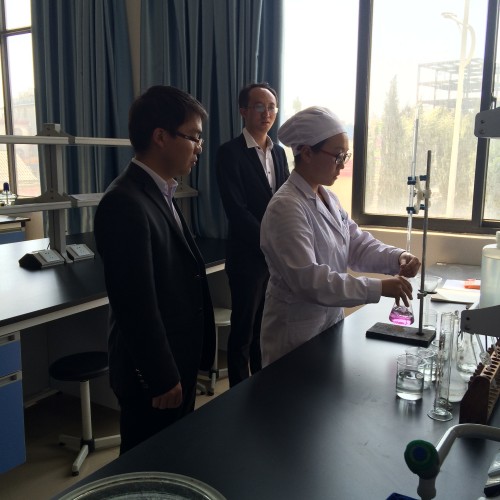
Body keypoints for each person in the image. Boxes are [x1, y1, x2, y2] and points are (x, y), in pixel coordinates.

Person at [94, 85, 215, 454]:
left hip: (176, 361)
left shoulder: (161, 191)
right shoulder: (124, 202)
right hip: (152, 376)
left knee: (174, 456)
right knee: (147, 464)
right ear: (160, 137)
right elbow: (135, 304)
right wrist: (161, 376)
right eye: (193, 137)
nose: (199, 147)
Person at [260, 106, 421, 366]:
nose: (343, 164)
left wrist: (397, 257)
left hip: (328, 325)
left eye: (345, 155)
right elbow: (309, 280)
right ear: (307, 153)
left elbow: (357, 245)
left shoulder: (328, 198)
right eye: (338, 156)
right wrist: (378, 288)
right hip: (294, 334)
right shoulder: (286, 207)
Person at [216, 82, 289, 387]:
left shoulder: (280, 153)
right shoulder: (229, 153)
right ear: (243, 111)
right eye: (259, 106)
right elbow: (237, 210)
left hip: (274, 259)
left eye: (271, 107)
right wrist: (269, 242)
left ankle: (262, 388)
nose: (266, 113)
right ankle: (237, 395)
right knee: (243, 331)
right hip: (247, 257)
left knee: (266, 328)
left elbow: (286, 202)